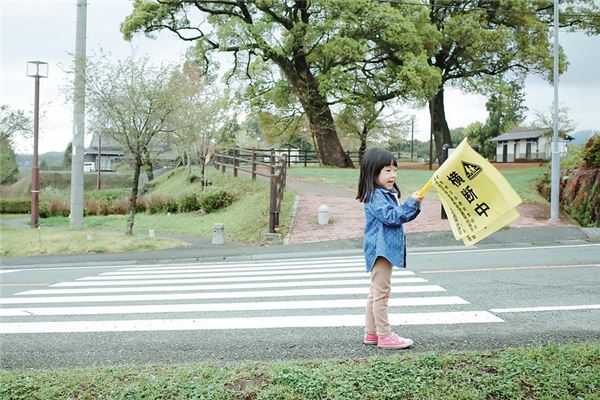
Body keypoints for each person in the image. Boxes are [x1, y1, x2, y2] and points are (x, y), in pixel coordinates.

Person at [356, 148, 423, 349]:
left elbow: (400, 216)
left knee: (375, 292)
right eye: (387, 170)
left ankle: (372, 333)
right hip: (381, 249)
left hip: (383, 248)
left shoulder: (384, 194)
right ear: (372, 172)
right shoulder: (375, 196)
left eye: (395, 170)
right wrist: (410, 203)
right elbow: (392, 217)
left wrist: (414, 204)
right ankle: (385, 335)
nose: (393, 175)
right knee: (381, 293)